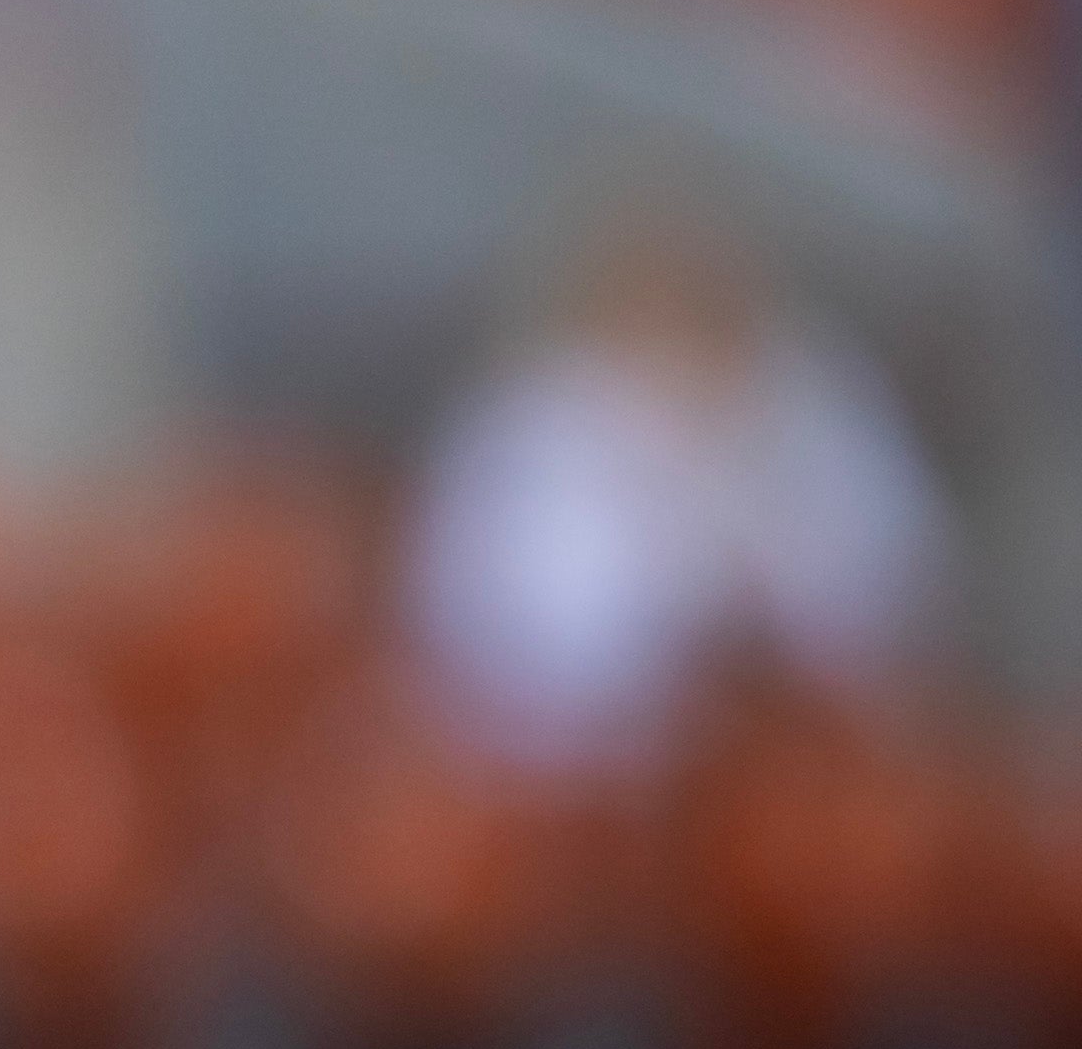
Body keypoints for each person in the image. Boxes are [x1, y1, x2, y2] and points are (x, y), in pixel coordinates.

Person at [398, 213, 950, 782]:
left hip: (793, 740)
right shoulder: (536, 425)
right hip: (580, 759)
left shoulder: (812, 400)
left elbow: (887, 578)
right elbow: (510, 631)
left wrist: (770, 589)